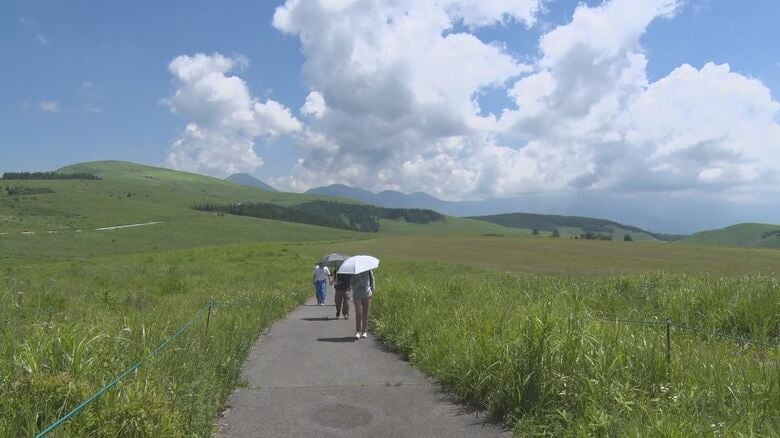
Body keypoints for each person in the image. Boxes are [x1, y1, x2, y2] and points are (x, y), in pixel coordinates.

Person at [351, 270, 375, 339]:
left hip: (367, 294)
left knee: (366, 313)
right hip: (357, 295)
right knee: (358, 312)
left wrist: (372, 291)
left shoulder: (369, 272)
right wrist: (359, 282)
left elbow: (372, 281)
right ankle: (358, 331)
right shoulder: (354, 273)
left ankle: (364, 331)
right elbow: (352, 286)